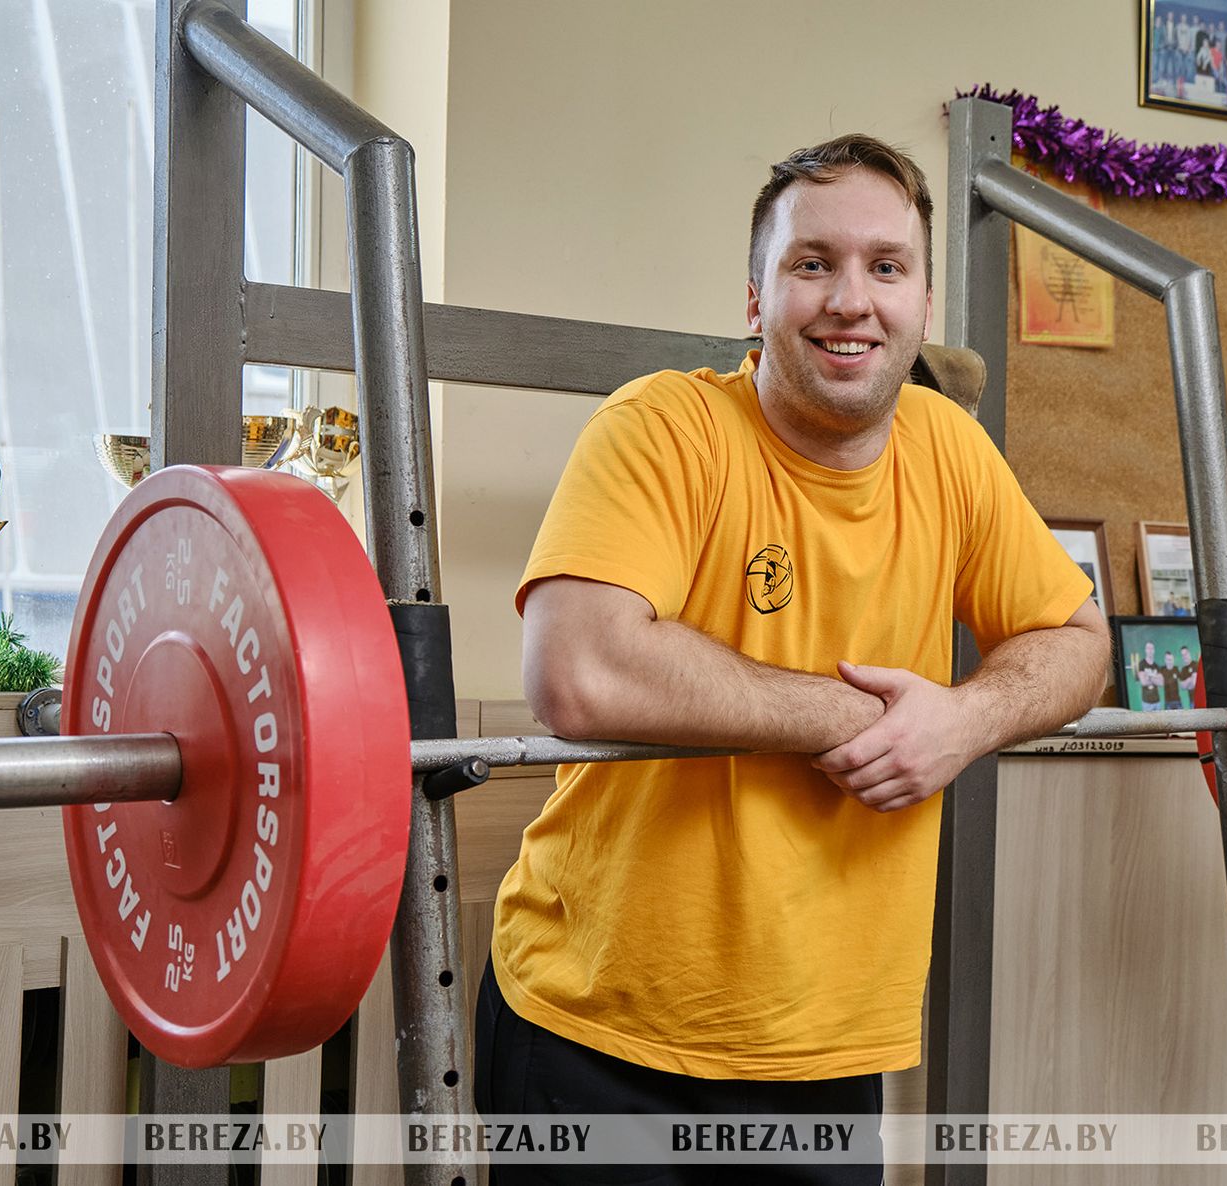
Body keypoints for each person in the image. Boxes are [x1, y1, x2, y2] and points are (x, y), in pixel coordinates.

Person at [475, 134, 1110, 1183]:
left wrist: (963, 719)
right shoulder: (664, 427)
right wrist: (858, 720)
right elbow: (578, 672)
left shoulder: (949, 450)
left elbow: (1078, 643)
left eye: (884, 267)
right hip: (599, 1029)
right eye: (811, 264)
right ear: (756, 300)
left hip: (824, 1045)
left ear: (920, 304)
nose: (850, 299)